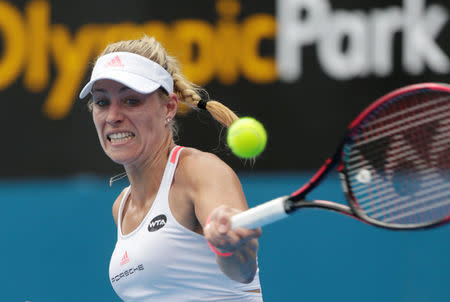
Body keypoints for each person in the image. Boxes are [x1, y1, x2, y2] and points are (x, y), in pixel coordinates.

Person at [79, 35, 263, 301]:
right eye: (102, 102)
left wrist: (232, 248)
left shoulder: (200, 171)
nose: (113, 116)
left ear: (169, 108)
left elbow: (242, 271)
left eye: (131, 100)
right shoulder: (121, 207)